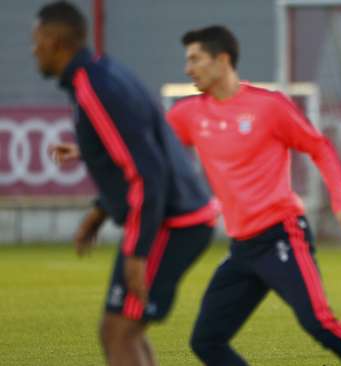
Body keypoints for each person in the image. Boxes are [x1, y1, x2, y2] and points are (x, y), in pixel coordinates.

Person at [166, 25, 341, 366]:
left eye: (195, 59)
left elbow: (319, 147)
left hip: (281, 234)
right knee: (206, 341)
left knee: (318, 322)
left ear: (222, 60)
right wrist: (85, 150)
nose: (187, 68)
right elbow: (145, 145)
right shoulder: (190, 114)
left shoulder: (268, 106)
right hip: (242, 249)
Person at [32, 2, 219, 365]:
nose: (33, 48)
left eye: (36, 39)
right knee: (124, 329)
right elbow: (126, 158)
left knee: (119, 331)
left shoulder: (93, 88)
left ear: (54, 41)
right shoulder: (102, 74)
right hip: (175, 217)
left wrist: (136, 252)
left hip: (174, 221)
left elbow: (144, 170)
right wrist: (99, 213)